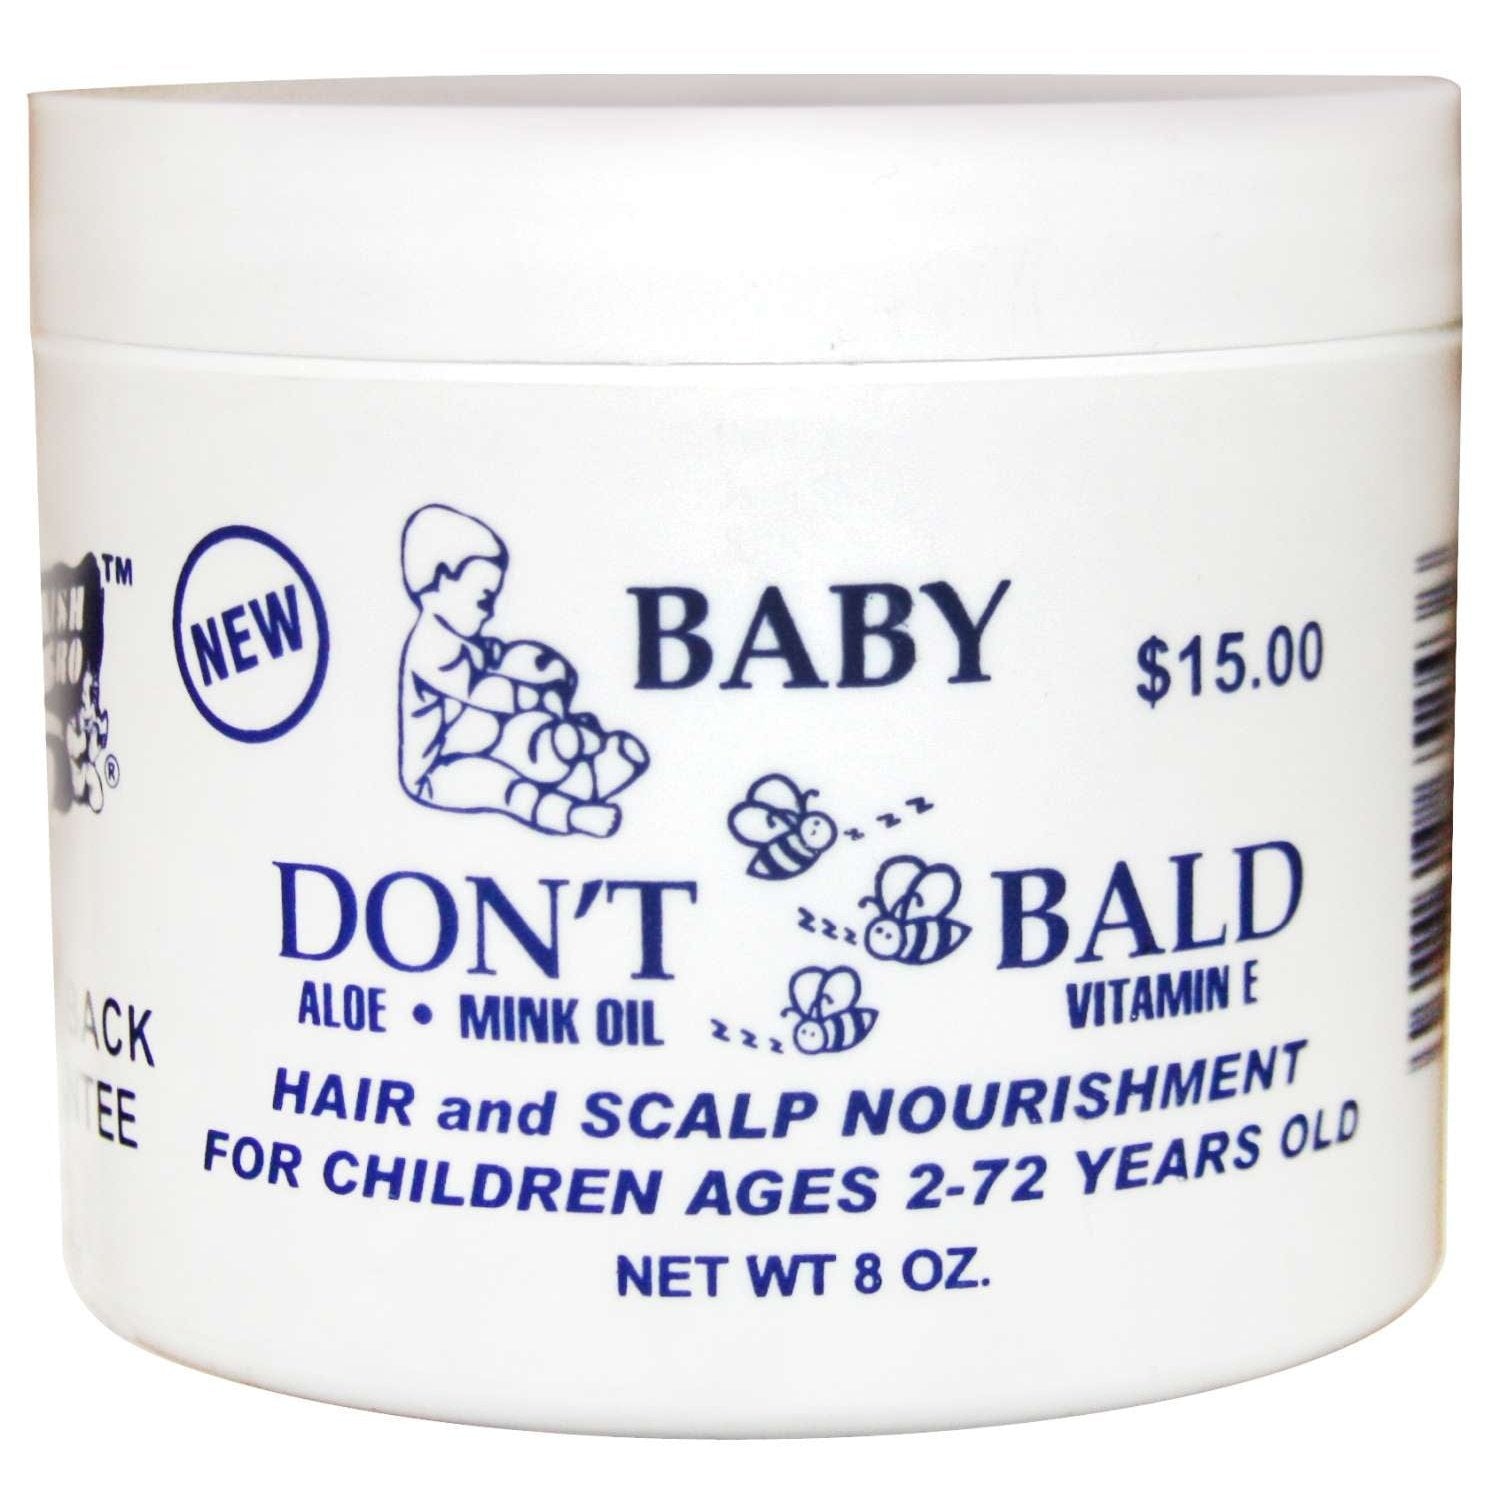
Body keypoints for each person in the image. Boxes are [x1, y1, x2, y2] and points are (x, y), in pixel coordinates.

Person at [398, 504, 648, 836]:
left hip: (470, 740)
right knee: (501, 785)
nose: (491, 612)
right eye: (483, 599)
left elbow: (496, 657)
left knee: (517, 755)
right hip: (435, 772)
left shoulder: (462, 639)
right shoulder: (431, 648)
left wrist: (541, 670)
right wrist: (533, 698)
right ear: (443, 579)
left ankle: (586, 779)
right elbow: (479, 691)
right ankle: (572, 815)